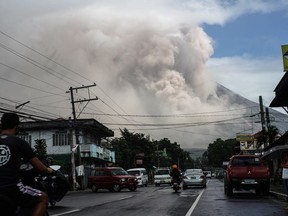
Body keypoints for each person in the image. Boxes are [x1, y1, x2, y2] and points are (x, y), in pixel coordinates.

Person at [0, 112, 54, 216]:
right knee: (42, 197)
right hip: (11, 188)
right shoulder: (19, 142)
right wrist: (48, 170)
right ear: (16, 126)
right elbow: (40, 168)